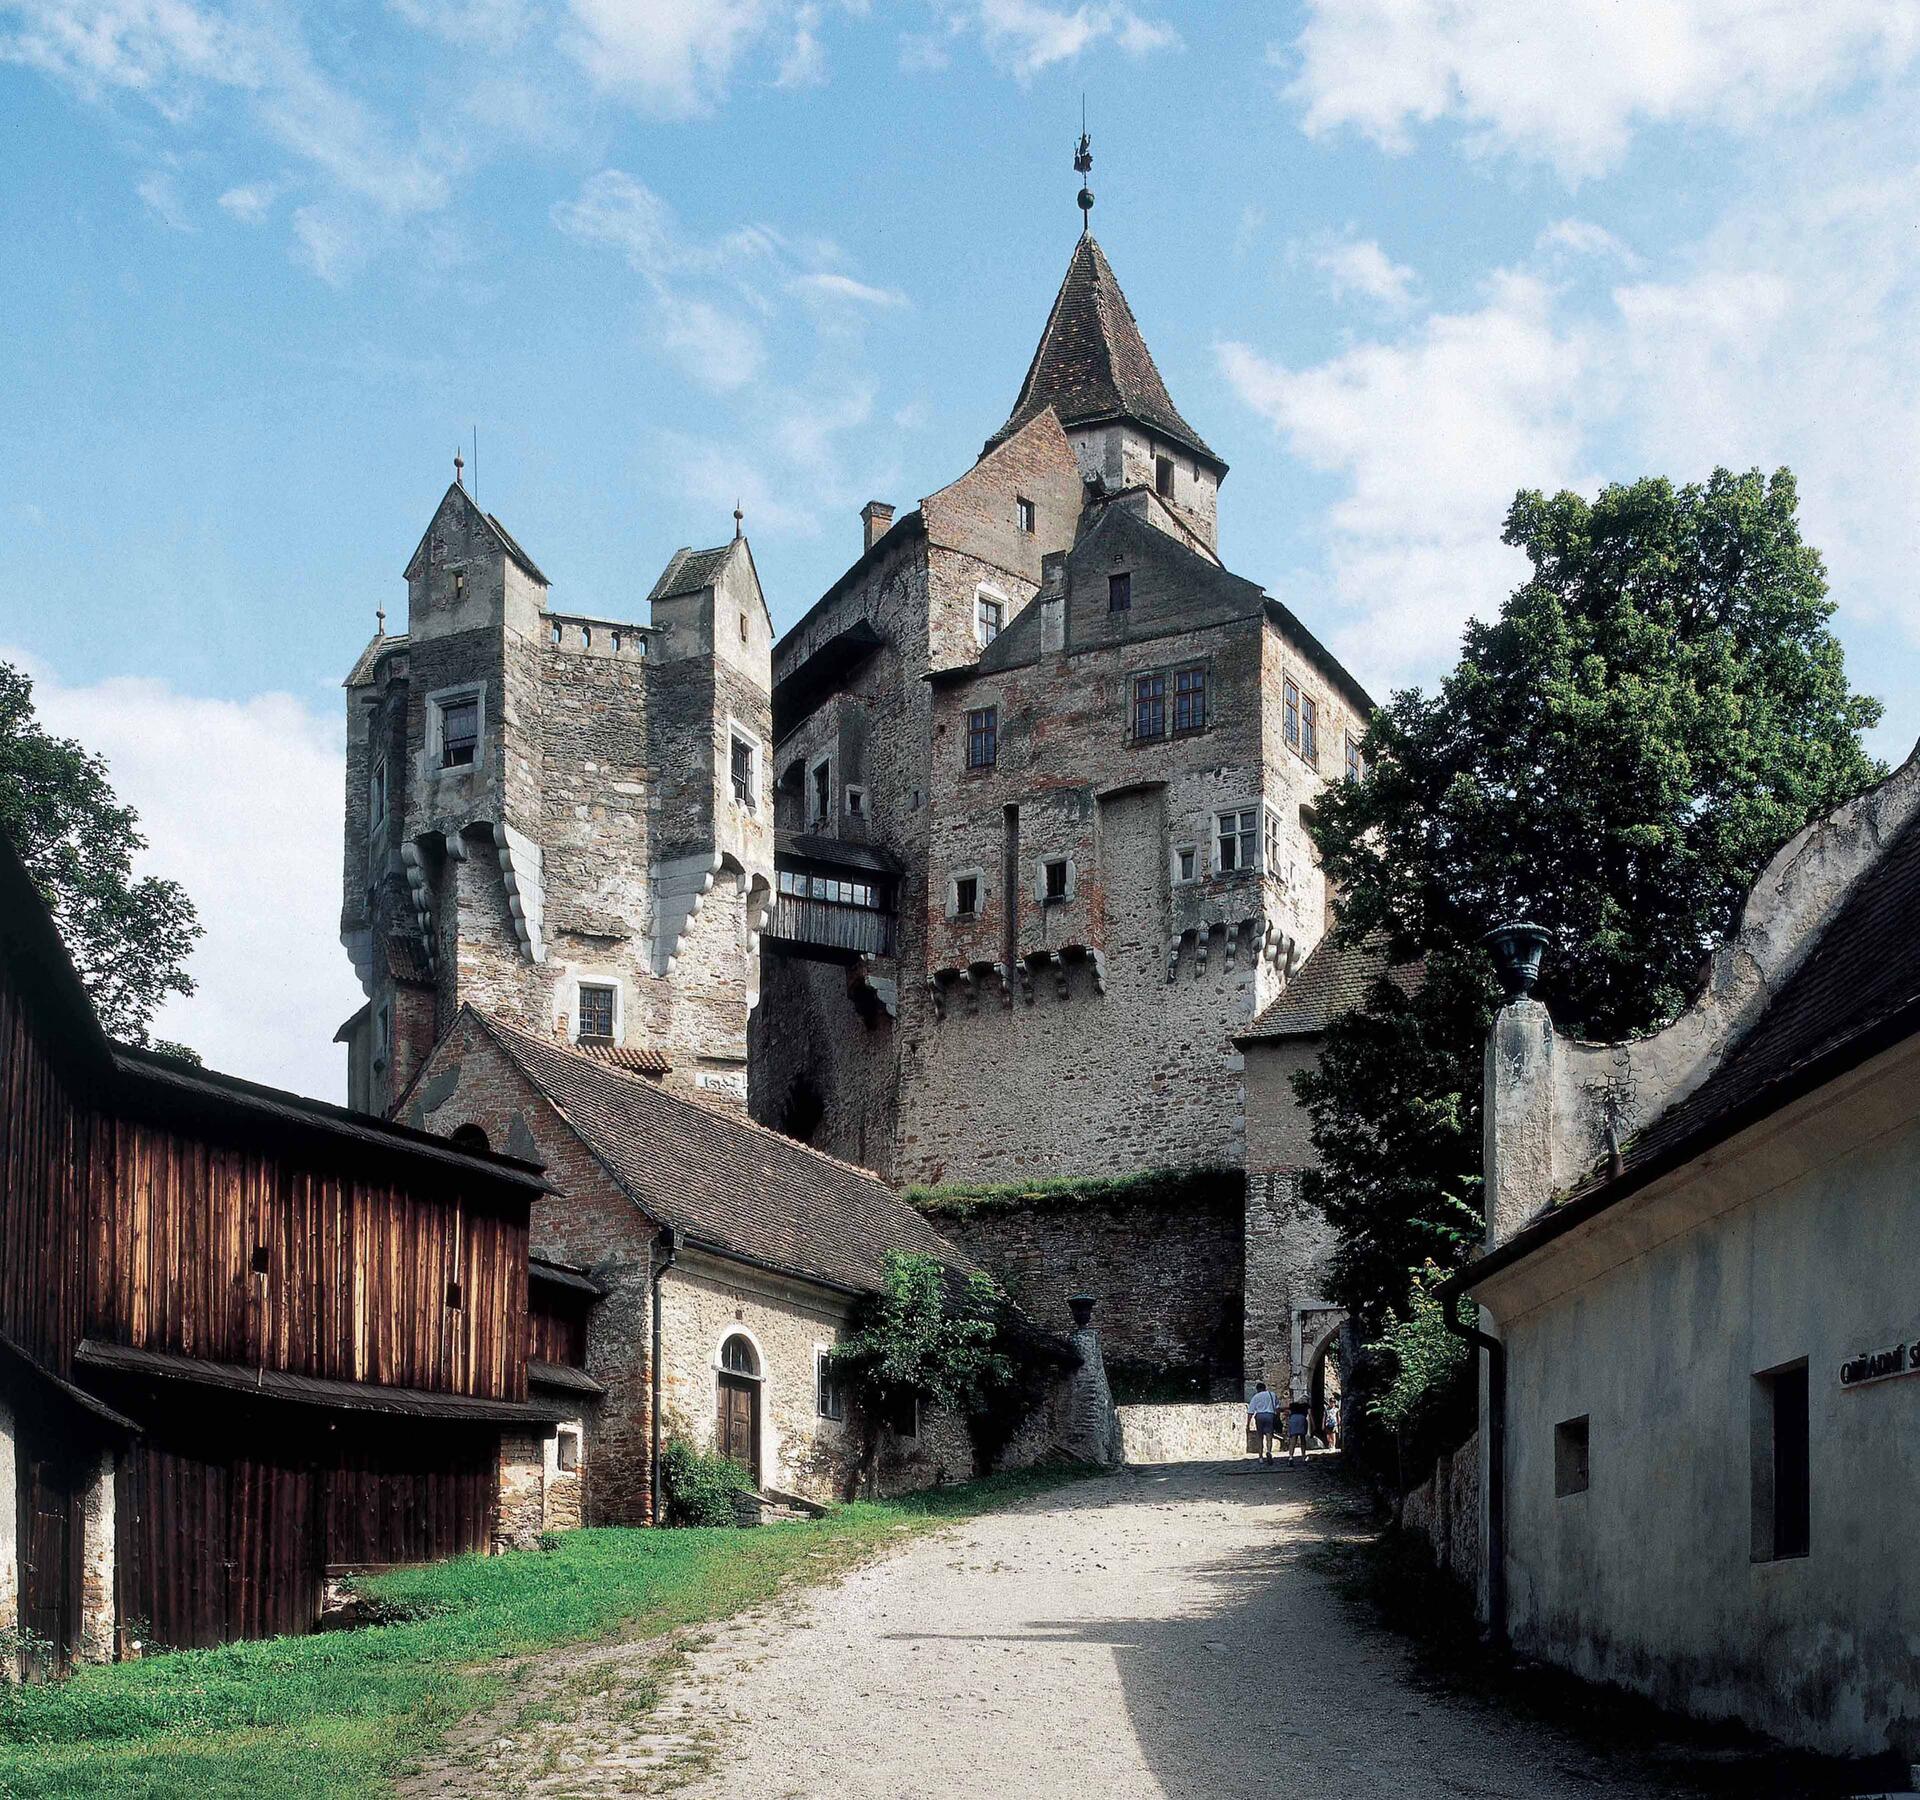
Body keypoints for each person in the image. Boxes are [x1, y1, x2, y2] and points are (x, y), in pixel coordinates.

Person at [1247, 1383, 1280, 1463]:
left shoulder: (1256, 1397)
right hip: (1269, 1415)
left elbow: (1250, 1411)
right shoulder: (1272, 1394)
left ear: (1257, 1389)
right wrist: (1277, 1417)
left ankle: (1260, 1457)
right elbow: (1277, 1408)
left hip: (1259, 1416)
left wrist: (1247, 1424)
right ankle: (1268, 1451)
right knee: (1269, 1436)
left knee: (1260, 1437)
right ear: (1265, 1388)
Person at [1286, 1394, 1311, 1460]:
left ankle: (1290, 1457)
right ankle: (1303, 1456)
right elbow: (1310, 1414)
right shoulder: (1306, 1405)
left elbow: (1288, 1413)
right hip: (1302, 1419)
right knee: (1302, 1439)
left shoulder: (1293, 1405)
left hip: (1293, 1419)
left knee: (1293, 1439)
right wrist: (1313, 1425)